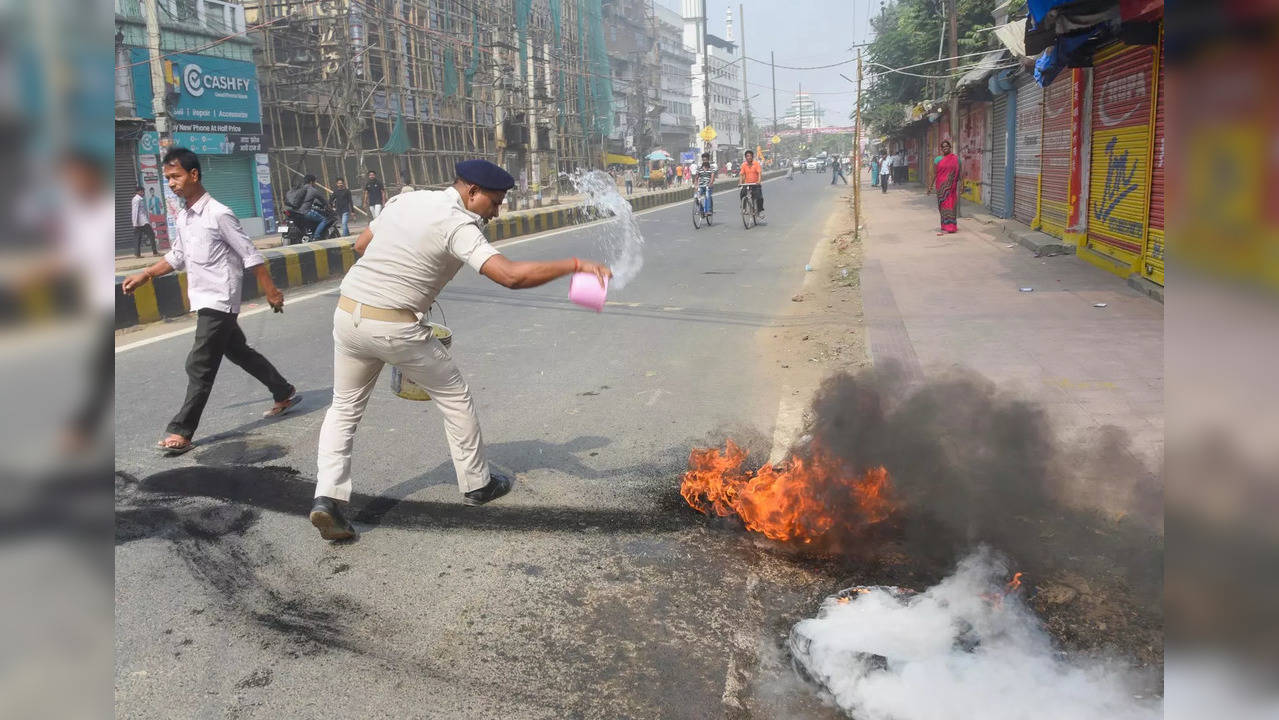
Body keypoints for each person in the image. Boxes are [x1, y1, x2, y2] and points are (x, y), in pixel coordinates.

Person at [309, 159, 613, 541]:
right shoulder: (459, 225)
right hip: (396, 325)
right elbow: (511, 277)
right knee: (455, 396)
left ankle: (327, 499)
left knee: (344, 407)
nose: (498, 211)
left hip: (348, 313)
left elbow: (361, 244)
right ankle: (477, 485)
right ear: (472, 191)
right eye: (495, 201)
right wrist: (575, 263)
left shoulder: (406, 201)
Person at [121, 147, 300, 456]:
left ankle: (182, 430)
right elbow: (177, 256)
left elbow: (249, 254)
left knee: (200, 364)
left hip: (220, 298)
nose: (172, 183)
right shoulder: (185, 217)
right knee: (239, 352)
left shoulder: (219, 213)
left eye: (176, 176)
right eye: (168, 178)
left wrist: (270, 290)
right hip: (203, 298)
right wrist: (146, 274)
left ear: (194, 175)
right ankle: (283, 391)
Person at [933, 140, 961, 234]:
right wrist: (929, 187)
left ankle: (951, 226)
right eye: (943, 147)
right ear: (941, 149)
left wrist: (962, 186)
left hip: (951, 188)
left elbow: (960, 173)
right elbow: (934, 174)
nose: (945, 148)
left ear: (950, 147)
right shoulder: (938, 159)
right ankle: (944, 225)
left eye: (947, 146)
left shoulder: (956, 159)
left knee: (951, 206)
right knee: (942, 207)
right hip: (940, 188)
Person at [299, 174, 332, 240]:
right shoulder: (313, 190)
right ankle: (316, 236)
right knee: (324, 220)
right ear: (311, 182)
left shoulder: (300, 189)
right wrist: (329, 207)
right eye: (315, 182)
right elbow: (323, 200)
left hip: (297, 213)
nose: (315, 183)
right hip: (305, 212)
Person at [131, 185, 158, 257]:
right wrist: (135, 223)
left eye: (143, 191)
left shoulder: (139, 199)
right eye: (142, 191)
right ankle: (155, 252)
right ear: (138, 192)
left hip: (140, 222)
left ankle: (137, 254)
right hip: (142, 222)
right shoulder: (136, 199)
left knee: (138, 238)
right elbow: (135, 211)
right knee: (151, 235)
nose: (143, 193)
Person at [738, 149, 764, 221]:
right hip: (747, 184)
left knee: (759, 198)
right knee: (742, 194)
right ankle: (744, 209)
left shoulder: (756, 164)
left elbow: (759, 173)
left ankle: (759, 211)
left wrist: (758, 181)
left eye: (749, 156)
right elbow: (741, 174)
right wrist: (740, 183)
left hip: (755, 184)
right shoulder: (743, 165)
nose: (748, 157)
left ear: (752, 157)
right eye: (747, 156)